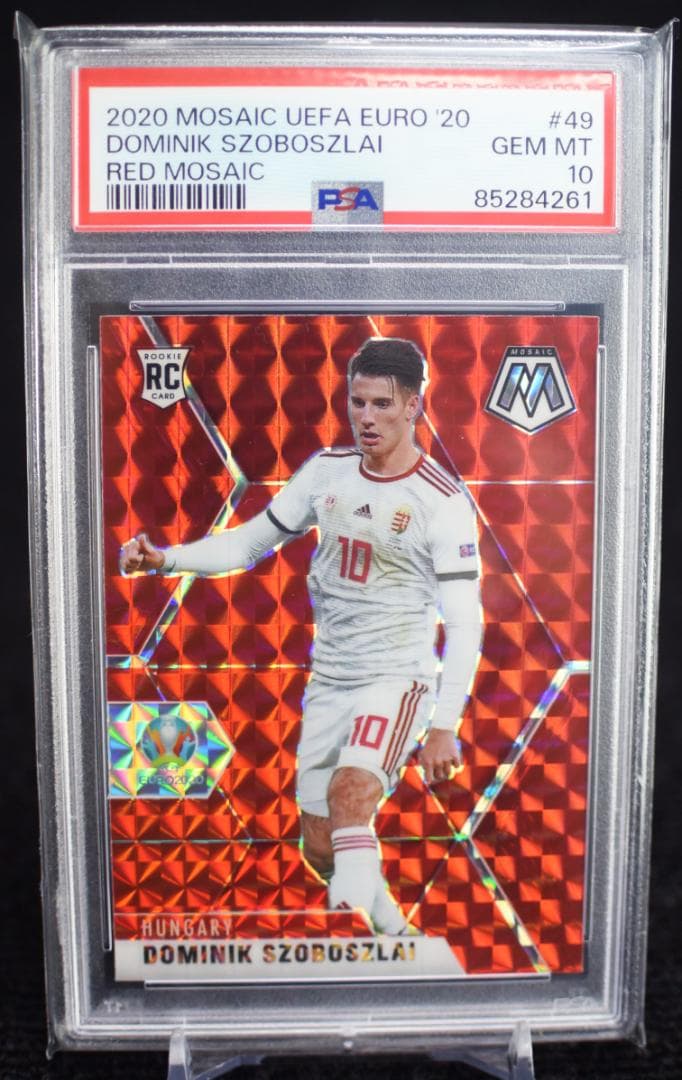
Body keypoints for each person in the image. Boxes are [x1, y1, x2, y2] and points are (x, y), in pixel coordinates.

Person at [121, 337, 482, 935]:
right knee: (319, 844)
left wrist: (445, 722)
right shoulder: (326, 472)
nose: (366, 417)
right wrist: (165, 559)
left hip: (396, 679)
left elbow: (466, 620)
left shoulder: (441, 502)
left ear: (413, 406)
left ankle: (373, 946)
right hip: (330, 679)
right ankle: (397, 935)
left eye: (382, 404)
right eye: (357, 402)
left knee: (350, 793)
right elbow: (248, 544)